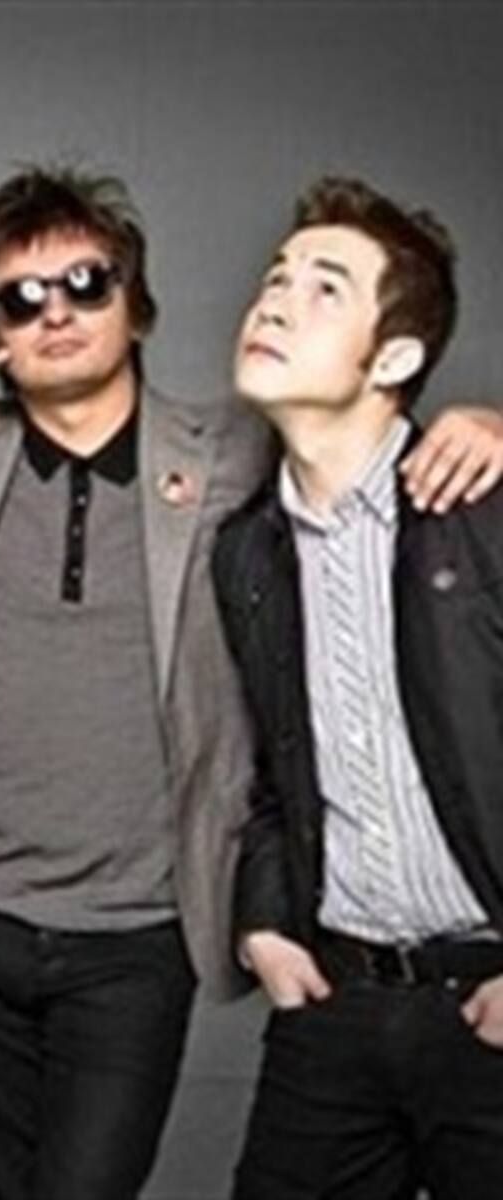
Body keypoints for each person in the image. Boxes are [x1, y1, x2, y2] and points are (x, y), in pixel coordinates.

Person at [0, 165, 503, 1200]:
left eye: (86, 283)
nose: (54, 312)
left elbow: (371, 440)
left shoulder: (242, 458)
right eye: (19, 298)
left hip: (142, 924)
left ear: (137, 302)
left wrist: (492, 425)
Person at [214, 177, 503, 1200]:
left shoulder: (483, 506)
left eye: (325, 287)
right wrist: (263, 925)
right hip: (335, 1000)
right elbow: (265, 768)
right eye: (275, 278)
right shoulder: (248, 551)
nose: (275, 302)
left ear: (394, 359)